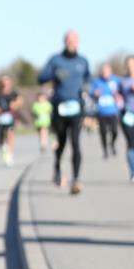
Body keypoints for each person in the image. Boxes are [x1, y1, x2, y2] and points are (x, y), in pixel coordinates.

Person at [38, 30, 91, 194]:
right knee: (61, 142)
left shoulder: (83, 61)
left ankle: (76, 179)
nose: (71, 42)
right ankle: (57, 167)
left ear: (78, 42)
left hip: (76, 108)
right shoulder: (55, 60)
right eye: (69, 40)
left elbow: (88, 80)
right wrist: (53, 73)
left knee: (76, 143)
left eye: (74, 40)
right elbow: (41, 78)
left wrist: (87, 91)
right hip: (59, 108)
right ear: (64, 42)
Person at [90, 63, 123, 159]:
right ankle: (105, 151)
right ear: (101, 72)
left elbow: (122, 92)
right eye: (103, 72)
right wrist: (95, 93)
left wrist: (118, 95)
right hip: (101, 112)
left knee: (115, 131)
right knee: (103, 132)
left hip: (113, 111)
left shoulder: (116, 80)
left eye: (107, 72)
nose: (105, 74)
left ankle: (112, 144)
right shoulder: (96, 81)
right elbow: (91, 92)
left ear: (110, 72)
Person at [0, 75, 22, 167]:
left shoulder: (14, 92)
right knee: (1, 136)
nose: (5, 83)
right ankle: (4, 147)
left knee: (10, 134)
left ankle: (10, 155)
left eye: (7, 81)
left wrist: (15, 104)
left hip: (10, 116)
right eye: (3, 81)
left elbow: (20, 101)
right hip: (0, 117)